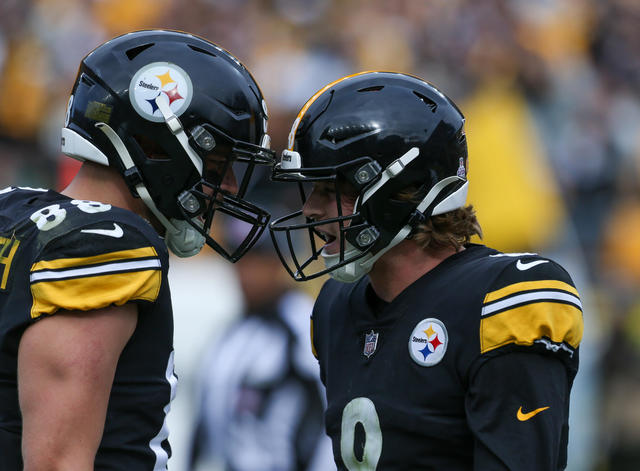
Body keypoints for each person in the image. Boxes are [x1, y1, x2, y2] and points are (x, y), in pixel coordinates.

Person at [268, 71, 584, 470]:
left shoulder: (499, 297)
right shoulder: (336, 305)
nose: (311, 208)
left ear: (400, 190)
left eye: (330, 190)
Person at [0, 29, 274, 470]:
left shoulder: (12, 211)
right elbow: (56, 462)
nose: (226, 186)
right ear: (155, 144)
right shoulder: (104, 245)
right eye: (218, 163)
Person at [187, 216, 333, 471]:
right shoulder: (230, 333)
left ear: (280, 263)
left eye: (258, 260)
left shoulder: (305, 324)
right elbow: (207, 423)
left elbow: (331, 415)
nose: (246, 273)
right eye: (240, 261)